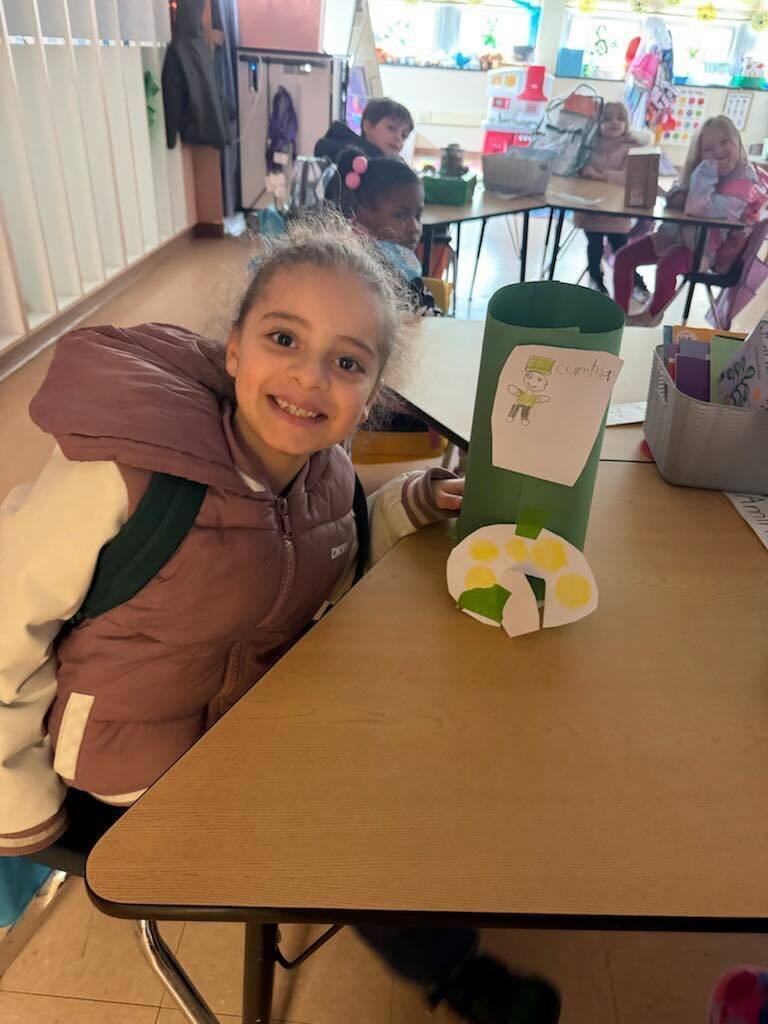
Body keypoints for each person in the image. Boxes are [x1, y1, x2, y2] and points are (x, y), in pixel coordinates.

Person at [0, 217, 560, 1024]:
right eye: (283, 338)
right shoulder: (121, 474)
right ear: (233, 348)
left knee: (428, 736)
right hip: (126, 771)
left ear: (372, 396)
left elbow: (320, 554)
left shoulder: (324, 470)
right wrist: (18, 803)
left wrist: (404, 505)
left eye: (346, 362)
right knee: (352, 825)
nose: (309, 378)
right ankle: (452, 970)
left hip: (246, 724)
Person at [613, 115, 761, 326]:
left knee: (668, 264)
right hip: (671, 236)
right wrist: (678, 196)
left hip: (702, 251)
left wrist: (706, 171)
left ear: (736, 141)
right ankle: (618, 315)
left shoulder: (743, 181)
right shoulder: (696, 171)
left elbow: (699, 206)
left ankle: (651, 315)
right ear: (699, 154)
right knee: (623, 258)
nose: (718, 151)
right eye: (708, 149)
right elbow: (677, 194)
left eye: (724, 142)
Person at [330, 147, 440, 315]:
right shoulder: (394, 266)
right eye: (400, 215)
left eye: (418, 215)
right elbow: (429, 320)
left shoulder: (341, 243)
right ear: (363, 214)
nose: (414, 227)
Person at [574, 101, 649, 300]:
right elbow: (579, 170)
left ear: (627, 122)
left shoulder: (632, 147)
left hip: (617, 210)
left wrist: (600, 175)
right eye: (607, 118)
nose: (614, 122)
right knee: (594, 246)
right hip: (592, 209)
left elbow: (630, 176)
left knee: (622, 250)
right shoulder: (589, 145)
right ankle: (596, 280)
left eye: (619, 118)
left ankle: (635, 282)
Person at [315, 97, 414, 163]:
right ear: (368, 126)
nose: (398, 138)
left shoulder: (390, 163)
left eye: (404, 135)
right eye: (391, 128)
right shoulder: (348, 158)